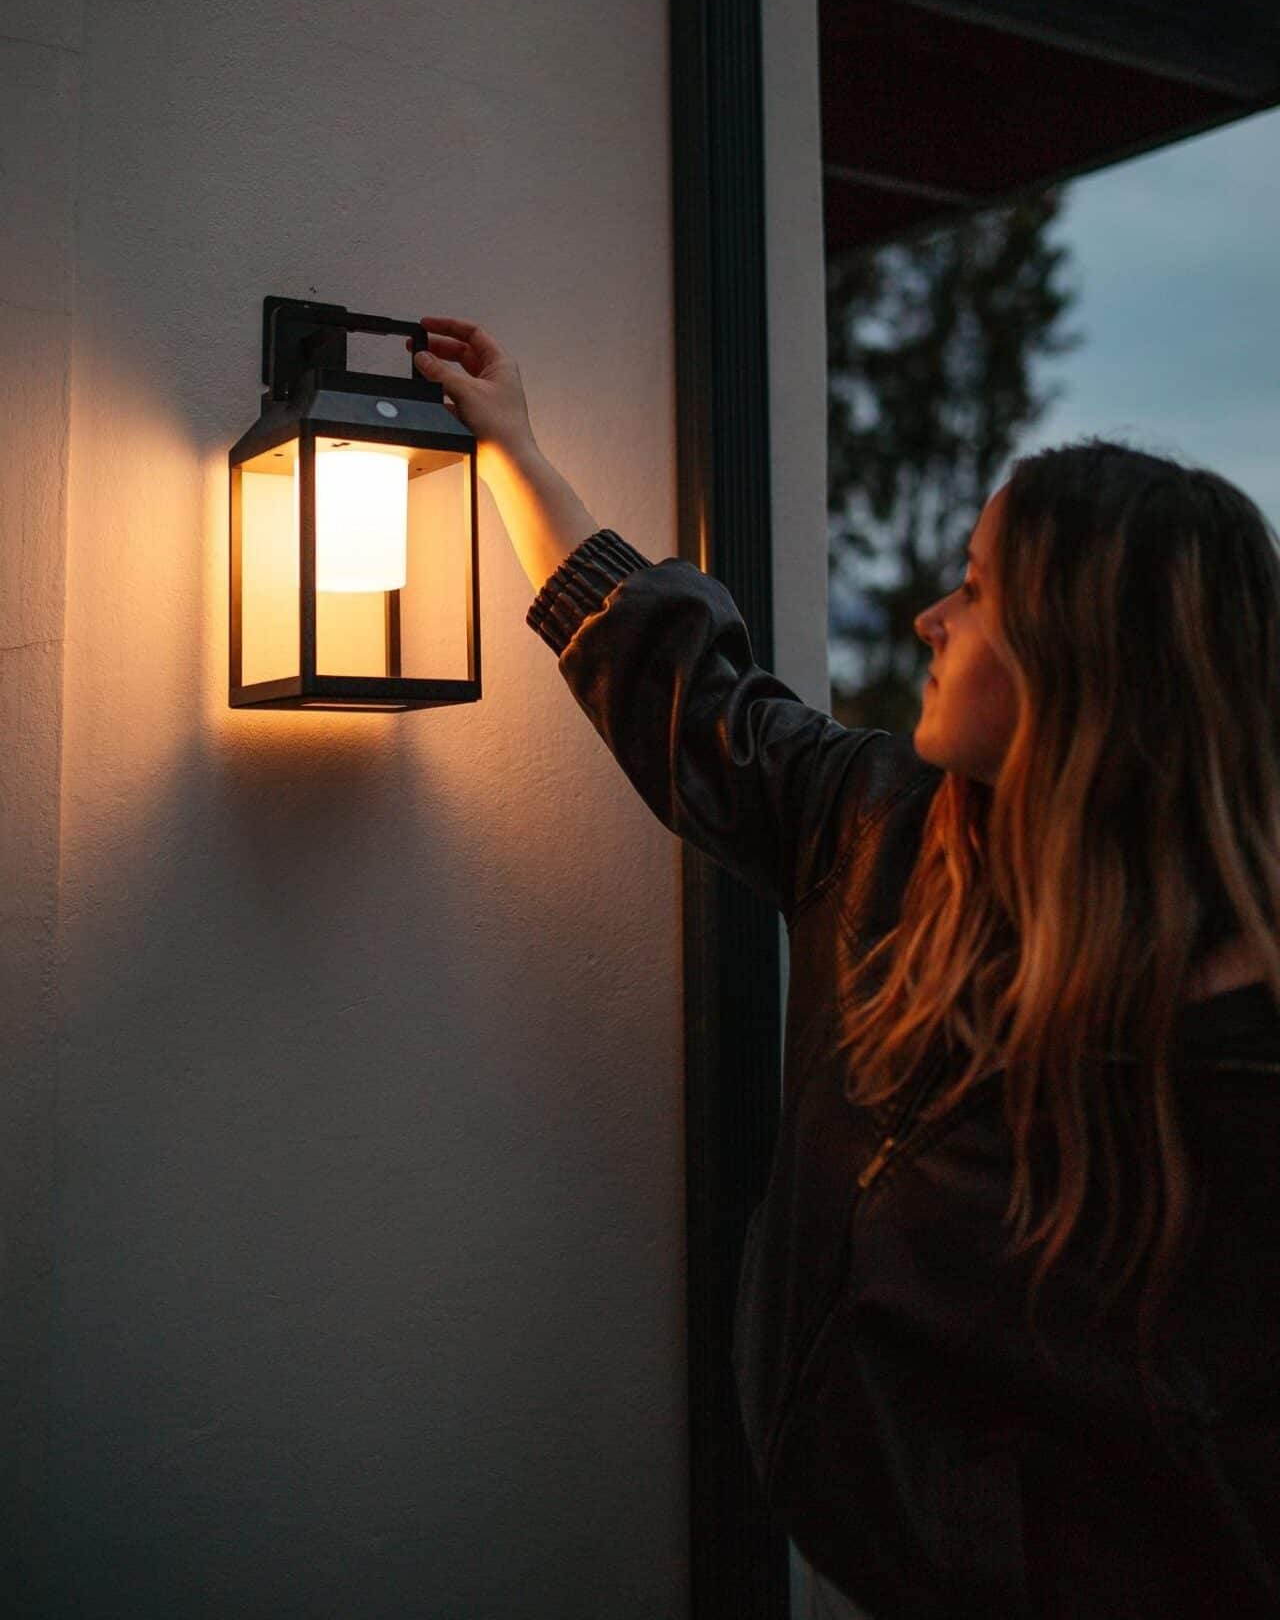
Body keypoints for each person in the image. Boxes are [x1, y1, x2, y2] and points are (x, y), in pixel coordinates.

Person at [407, 316, 1280, 1619]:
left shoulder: (1241, 1069)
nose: (931, 617)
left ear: (1088, 656)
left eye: (976, 590)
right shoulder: (888, 834)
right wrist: (515, 452)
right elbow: (689, 692)